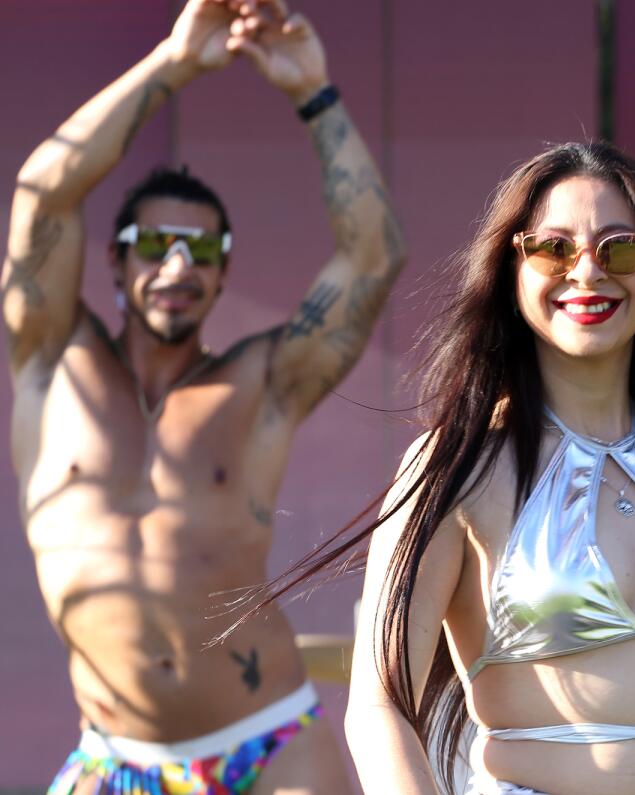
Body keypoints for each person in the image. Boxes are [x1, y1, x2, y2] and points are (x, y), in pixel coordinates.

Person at [262, 141, 635, 794]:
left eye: (620, 247)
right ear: (512, 271)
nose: (588, 272)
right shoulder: (459, 465)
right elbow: (380, 706)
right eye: (553, 248)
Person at [3, 1, 404, 792]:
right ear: (114, 267)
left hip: (271, 741)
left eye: (203, 250)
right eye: (154, 245)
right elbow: (43, 191)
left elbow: (373, 259)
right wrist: (174, 63)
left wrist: (313, 92)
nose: (178, 265)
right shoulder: (50, 358)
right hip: (113, 756)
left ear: (224, 272)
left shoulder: (261, 381)